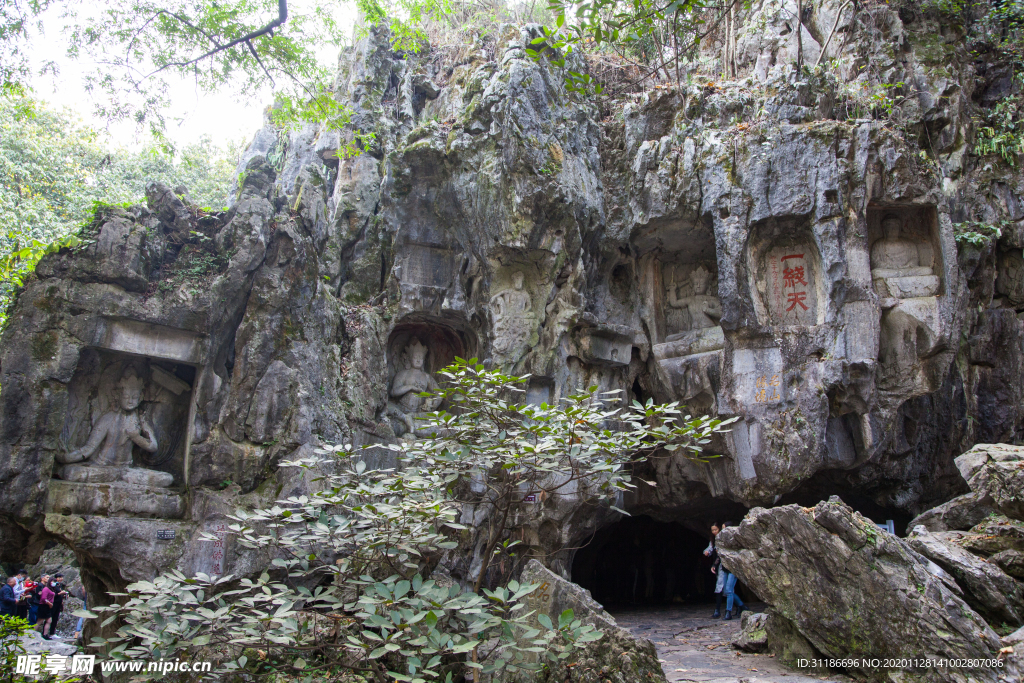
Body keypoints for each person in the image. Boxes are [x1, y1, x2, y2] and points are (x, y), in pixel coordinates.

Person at [718, 522, 746, 620]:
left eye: (724, 528)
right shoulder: (722, 540)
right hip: (726, 568)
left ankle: (728, 612)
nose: (722, 530)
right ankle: (741, 606)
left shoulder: (734, 540)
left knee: (729, 590)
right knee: (726, 591)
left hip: (733, 568)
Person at [703, 523, 726, 618]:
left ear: (719, 529)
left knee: (721, 588)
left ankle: (717, 610)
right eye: (712, 530)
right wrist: (706, 552)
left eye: (715, 529)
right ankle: (740, 606)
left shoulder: (723, 538)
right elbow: (710, 548)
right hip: (717, 566)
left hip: (724, 566)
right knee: (725, 589)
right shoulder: (713, 540)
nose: (714, 532)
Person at [48, 573, 68, 638]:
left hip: (59, 603)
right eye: (59, 577)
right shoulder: (53, 585)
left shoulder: (60, 585)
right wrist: (60, 593)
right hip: (53, 603)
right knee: (50, 617)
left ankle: (52, 633)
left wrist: (63, 595)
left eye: (61, 577)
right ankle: (46, 632)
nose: (60, 579)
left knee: (55, 618)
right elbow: (52, 595)